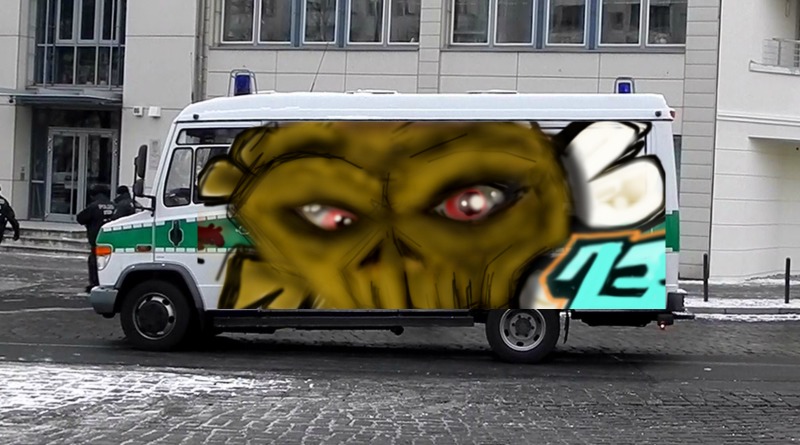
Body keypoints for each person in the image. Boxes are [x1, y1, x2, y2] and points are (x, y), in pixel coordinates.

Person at [77, 185, 115, 293]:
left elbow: (80, 218)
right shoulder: (114, 206)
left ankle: (95, 284)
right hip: (111, 240)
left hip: (97, 239)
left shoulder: (93, 206)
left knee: (94, 262)